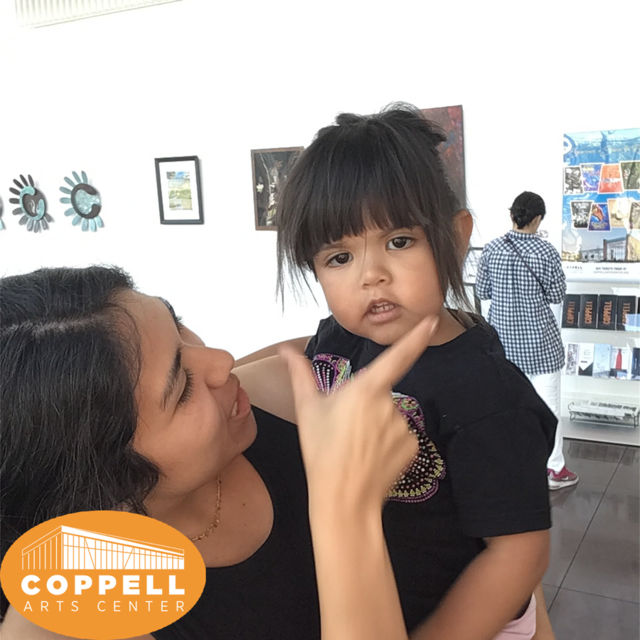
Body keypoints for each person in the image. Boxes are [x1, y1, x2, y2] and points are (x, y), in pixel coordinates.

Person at [239, 104, 556, 640]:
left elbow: (519, 553)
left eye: (399, 242)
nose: (372, 276)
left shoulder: (486, 394)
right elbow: (306, 359)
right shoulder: (344, 338)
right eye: (339, 257)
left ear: (456, 237)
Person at [0, 264, 438, 640]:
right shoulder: (64, 610)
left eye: (178, 326)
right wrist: (346, 510)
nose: (222, 360)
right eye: (183, 387)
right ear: (103, 478)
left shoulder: (276, 393)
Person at [475, 191, 579, 490]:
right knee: (548, 408)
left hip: (503, 346)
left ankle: (511, 468)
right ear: (538, 219)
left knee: (506, 409)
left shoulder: (492, 249)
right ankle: (554, 469)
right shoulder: (545, 251)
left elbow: (482, 292)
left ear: (512, 215)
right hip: (541, 344)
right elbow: (557, 296)